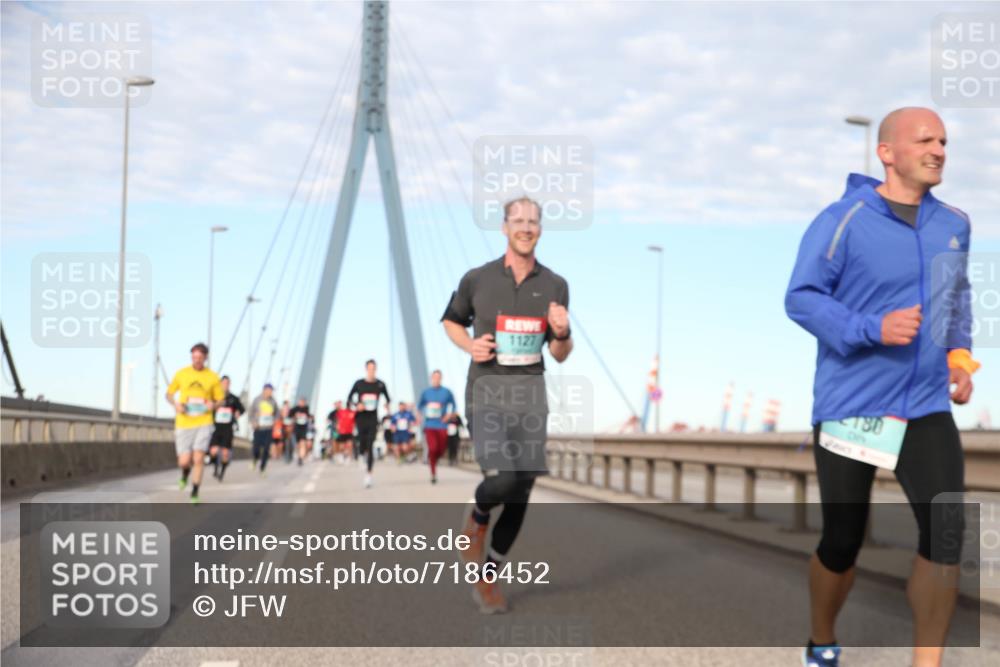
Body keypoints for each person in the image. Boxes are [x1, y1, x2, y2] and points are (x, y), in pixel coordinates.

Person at [785, 107, 976, 667]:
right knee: (843, 541)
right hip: (853, 405)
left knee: (946, 530)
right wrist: (872, 328)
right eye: (924, 139)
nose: (938, 148)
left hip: (925, 405)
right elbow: (801, 297)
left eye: (943, 140)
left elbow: (956, 300)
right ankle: (822, 637)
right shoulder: (844, 218)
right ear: (886, 152)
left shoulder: (954, 224)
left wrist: (959, 359)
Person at [442, 196, 572, 614]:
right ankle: (476, 520)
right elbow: (451, 320)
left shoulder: (556, 286)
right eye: (518, 220)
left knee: (520, 494)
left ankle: (489, 580)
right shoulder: (477, 279)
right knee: (501, 481)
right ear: (504, 228)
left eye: (533, 221)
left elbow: (560, 353)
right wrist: (470, 345)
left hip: (530, 400)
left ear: (540, 229)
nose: (526, 227)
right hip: (486, 396)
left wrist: (563, 331)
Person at [165, 342, 224, 505]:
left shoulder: (212, 377)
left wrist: (214, 405)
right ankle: (185, 474)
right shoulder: (182, 374)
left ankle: (195, 491)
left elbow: (220, 399)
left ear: (205, 358)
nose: (197, 360)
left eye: (200, 357)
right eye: (194, 357)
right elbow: (169, 394)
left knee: (198, 458)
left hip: (204, 422)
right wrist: (175, 404)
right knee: (184, 461)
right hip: (184, 422)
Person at [346, 359, 391, 488]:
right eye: (369, 368)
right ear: (366, 369)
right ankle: (360, 455)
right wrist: (356, 405)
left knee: (371, 445)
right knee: (362, 441)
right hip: (361, 418)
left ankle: (368, 476)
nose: (372, 371)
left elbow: (388, 399)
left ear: (375, 369)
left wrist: (387, 406)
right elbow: (348, 399)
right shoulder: (359, 384)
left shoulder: (380, 384)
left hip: (373, 418)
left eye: (374, 368)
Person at [418, 370, 457, 483]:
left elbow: (454, 405)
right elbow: (419, 406)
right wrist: (419, 415)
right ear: (431, 378)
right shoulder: (426, 392)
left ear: (441, 379)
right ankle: (433, 473)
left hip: (442, 425)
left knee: (441, 449)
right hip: (429, 425)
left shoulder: (447, 392)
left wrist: (449, 415)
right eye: (434, 377)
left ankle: (435, 458)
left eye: (438, 377)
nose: (436, 379)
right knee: (433, 448)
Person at [209, 375, 245, 481]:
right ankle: (215, 469)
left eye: (227, 383)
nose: (225, 385)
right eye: (224, 383)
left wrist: (238, 412)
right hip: (215, 428)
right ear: (220, 384)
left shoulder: (233, 398)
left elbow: (242, 409)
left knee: (225, 453)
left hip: (228, 429)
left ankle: (221, 474)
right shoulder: (214, 397)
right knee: (213, 451)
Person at [248, 383, 279, 475]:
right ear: (264, 390)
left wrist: (274, 420)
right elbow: (251, 412)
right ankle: (255, 459)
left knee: (266, 449)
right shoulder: (257, 400)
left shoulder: (273, 402)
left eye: (271, 391)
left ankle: (262, 468)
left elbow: (277, 413)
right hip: (258, 427)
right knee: (256, 448)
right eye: (269, 390)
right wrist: (253, 422)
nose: (270, 392)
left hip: (268, 428)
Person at [289, 397, 311, 466]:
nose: (302, 403)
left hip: (303, 429)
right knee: (298, 444)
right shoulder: (294, 409)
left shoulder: (306, 409)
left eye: (303, 402)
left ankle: (301, 458)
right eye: (301, 401)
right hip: (296, 428)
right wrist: (295, 417)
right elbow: (289, 417)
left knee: (303, 443)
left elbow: (309, 417)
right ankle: (298, 455)